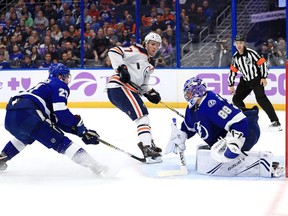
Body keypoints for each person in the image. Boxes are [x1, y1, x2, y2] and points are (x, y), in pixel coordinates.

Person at [0, 63, 108, 177]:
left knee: (26, 136)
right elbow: (61, 113)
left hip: (11, 115)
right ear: (60, 76)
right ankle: (95, 166)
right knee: (61, 141)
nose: (67, 80)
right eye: (66, 76)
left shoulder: (44, 87)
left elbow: (56, 120)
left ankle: (2, 157)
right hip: (29, 112)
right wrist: (80, 127)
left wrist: (80, 132)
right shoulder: (59, 84)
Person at [164, 77, 284, 177]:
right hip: (227, 134)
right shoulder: (192, 108)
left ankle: (267, 165)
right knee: (217, 153)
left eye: (189, 93)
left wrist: (235, 142)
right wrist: (181, 135)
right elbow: (189, 126)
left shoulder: (212, 103)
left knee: (229, 154)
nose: (187, 96)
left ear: (197, 91)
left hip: (247, 129)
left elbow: (239, 120)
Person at [106, 32, 163, 164]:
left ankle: (148, 143)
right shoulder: (137, 51)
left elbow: (142, 85)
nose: (155, 47)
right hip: (120, 87)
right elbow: (114, 51)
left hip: (128, 89)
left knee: (143, 116)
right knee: (142, 117)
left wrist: (150, 93)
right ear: (146, 43)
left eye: (157, 46)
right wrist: (121, 69)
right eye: (152, 44)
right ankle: (147, 147)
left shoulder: (149, 64)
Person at [228, 34, 282, 131]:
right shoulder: (235, 57)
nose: (239, 45)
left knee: (261, 99)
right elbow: (232, 71)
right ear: (234, 44)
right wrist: (231, 84)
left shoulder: (251, 53)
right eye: (237, 43)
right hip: (245, 81)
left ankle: (275, 122)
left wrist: (263, 77)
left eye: (240, 43)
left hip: (256, 79)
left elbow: (263, 63)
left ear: (244, 43)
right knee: (236, 99)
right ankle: (246, 120)